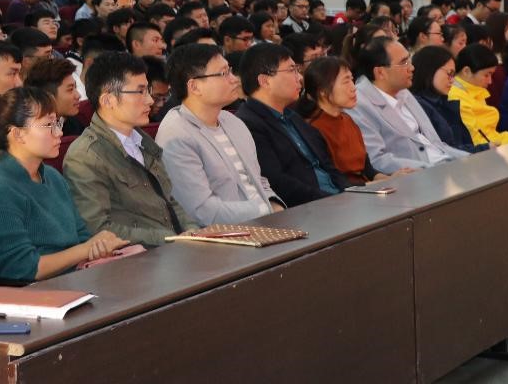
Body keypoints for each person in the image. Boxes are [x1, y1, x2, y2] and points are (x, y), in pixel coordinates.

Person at [0, 86, 127, 282]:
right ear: (17, 134)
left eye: (57, 122)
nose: (59, 132)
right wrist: (85, 250)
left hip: (76, 278)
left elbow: (81, 235)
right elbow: (23, 268)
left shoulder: (51, 176)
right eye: (48, 125)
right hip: (32, 292)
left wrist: (97, 248)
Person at [61, 52, 195, 246]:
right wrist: (170, 239)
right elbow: (97, 228)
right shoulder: (85, 156)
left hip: (173, 248)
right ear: (108, 100)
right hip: (141, 257)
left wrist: (193, 232)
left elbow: (168, 201)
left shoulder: (143, 141)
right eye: (140, 92)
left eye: (147, 90)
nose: (150, 100)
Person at [155, 43, 284, 225]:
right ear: (194, 87)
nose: (234, 79)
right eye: (223, 73)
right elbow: (201, 211)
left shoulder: (233, 122)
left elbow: (257, 180)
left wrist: (275, 205)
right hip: (227, 235)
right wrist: (265, 210)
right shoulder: (176, 136)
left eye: (230, 71)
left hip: (265, 222)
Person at [235, 44, 350, 206]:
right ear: (265, 81)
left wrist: (350, 193)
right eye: (291, 70)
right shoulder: (248, 124)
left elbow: (328, 167)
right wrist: (333, 201)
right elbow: (277, 182)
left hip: (337, 200)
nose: (300, 77)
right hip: (310, 208)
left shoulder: (292, 116)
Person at [347, 38, 471, 173]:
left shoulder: (403, 91)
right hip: (418, 175)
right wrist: (432, 170)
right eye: (403, 62)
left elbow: (436, 144)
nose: (412, 68)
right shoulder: (359, 104)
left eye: (409, 60)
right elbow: (377, 159)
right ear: (380, 72)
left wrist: (469, 159)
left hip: (444, 163)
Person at [408, 47, 486, 154]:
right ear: (429, 69)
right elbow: (444, 151)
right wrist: (485, 148)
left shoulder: (443, 102)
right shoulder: (419, 106)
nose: (452, 80)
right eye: (449, 73)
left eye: (453, 75)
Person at [448, 44, 508, 147]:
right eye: (486, 75)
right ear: (466, 71)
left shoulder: (473, 89)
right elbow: (478, 141)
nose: (490, 81)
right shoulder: (456, 98)